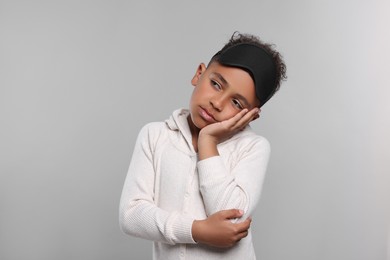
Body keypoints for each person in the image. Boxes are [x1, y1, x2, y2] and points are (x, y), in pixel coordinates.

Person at [119, 32, 287, 259]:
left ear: (251, 116)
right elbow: (131, 215)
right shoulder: (155, 136)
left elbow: (232, 220)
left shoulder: (253, 147)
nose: (217, 103)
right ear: (199, 73)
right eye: (216, 84)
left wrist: (208, 142)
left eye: (236, 103)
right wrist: (197, 230)